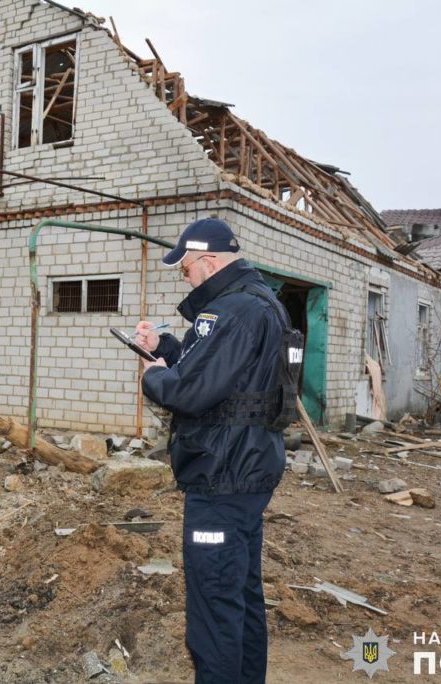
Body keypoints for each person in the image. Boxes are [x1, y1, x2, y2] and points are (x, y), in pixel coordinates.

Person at [135, 217, 287, 684]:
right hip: (245, 468)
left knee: (214, 607)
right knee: (240, 594)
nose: (187, 278)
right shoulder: (259, 303)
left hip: (222, 476)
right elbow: (226, 378)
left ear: (207, 260)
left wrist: (153, 376)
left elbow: (191, 392)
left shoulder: (231, 310)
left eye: (185, 270)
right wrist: (165, 348)